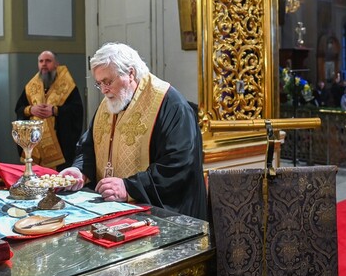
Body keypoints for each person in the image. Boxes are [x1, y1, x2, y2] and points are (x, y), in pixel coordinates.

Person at [58, 42, 207, 220]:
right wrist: (79, 170)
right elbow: (89, 146)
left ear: (130, 73)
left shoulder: (171, 105)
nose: (104, 90)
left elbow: (179, 164)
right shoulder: (110, 104)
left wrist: (129, 188)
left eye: (108, 81)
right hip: (112, 210)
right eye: (99, 84)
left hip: (162, 218)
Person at [15, 51, 83, 170]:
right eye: (41, 61)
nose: (44, 64)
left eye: (48, 61)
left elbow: (76, 110)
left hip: (60, 144)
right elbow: (19, 108)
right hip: (35, 144)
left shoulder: (68, 86)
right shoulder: (32, 86)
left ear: (56, 64)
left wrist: (55, 110)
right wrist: (31, 110)